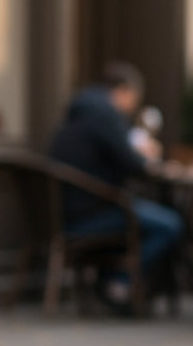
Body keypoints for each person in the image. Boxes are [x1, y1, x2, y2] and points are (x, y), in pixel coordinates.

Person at [48, 62, 184, 307]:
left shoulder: (79, 111)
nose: (132, 108)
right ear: (124, 92)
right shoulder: (105, 115)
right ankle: (116, 282)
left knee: (145, 215)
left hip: (69, 209)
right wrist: (147, 157)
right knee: (170, 225)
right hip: (91, 212)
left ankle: (113, 282)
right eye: (133, 99)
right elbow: (131, 162)